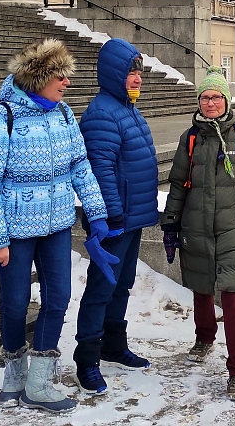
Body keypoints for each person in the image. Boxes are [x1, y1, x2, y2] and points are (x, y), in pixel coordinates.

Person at [0, 39, 110, 413]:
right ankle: (14, 372)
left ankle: (39, 381)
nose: (66, 84)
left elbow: (80, 166)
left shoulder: (64, 114)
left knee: (58, 299)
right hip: (15, 232)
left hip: (57, 226)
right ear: (37, 79)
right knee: (15, 304)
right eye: (60, 77)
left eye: (67, 77)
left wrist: (96, 214)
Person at [161, 67, 235, 401]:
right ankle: (204, 337)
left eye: (216, 97)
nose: (211, 103)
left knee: (234, 297)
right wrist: (170, 223)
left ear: (226, 100)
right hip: (197, 225)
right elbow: (179, 183)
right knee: (200, 286)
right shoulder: (190, 137)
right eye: (205, 97)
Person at [73, 38, 159, 394]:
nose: (137, 78)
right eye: (130, 72)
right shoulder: (102, 113)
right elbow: (101, 169)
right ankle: (87, 360)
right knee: (101, 287)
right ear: (113, 74)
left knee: (121, 284)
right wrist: (112, 215)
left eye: (139, 71)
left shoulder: (127, 108)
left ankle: (113, 344)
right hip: (114, 220)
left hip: (133, 217)